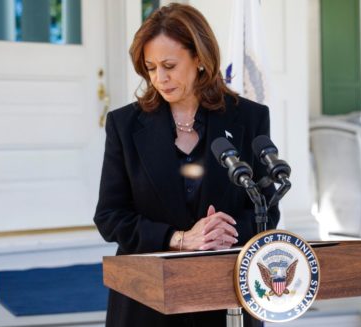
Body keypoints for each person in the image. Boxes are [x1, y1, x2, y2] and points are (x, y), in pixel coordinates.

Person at [93, 3, 279, 327]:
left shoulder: (250, 117)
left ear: (199, 59)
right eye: (150, 68)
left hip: (227, 297)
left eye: (169, 65)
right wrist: (179, 238)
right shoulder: (124, 124)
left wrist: (222, 234)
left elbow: (267, 209)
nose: (160, 79)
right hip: (147, 303)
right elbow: (110, 217)